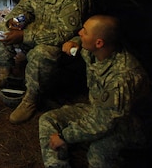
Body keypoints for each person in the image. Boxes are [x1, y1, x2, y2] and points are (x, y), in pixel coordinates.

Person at [39, 15, 151, 168]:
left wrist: (65, 136)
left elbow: (104, 123)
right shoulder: (95, 51)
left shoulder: (122, 78)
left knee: (98, 152)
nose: (79, 32)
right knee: (48, 120)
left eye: (84, 32)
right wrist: (75, 43)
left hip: (131, 125)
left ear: (99, 42)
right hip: (100, 112)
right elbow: (80, 44)